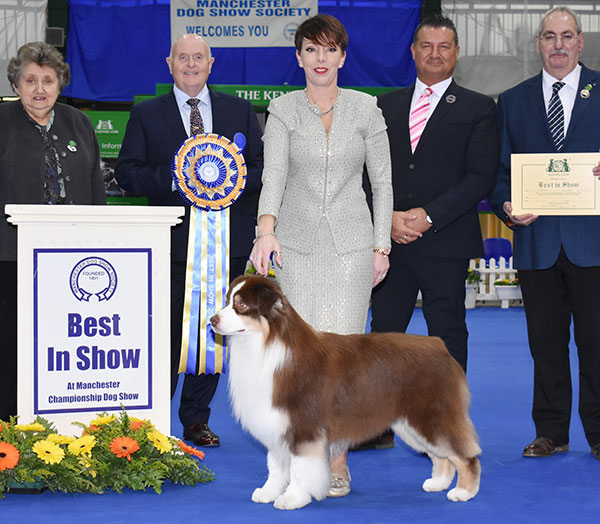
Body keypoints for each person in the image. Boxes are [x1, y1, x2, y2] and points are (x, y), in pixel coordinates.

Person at [250, 14, 393, 498]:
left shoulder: (367, 110)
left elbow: (383, 183)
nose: (320, 59)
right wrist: (265, 231)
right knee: (298, 362)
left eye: (329, 50)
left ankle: (337, 459)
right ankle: (296, 456)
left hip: (352, 250)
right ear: (298, 58)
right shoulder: (283, 109)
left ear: (343, 57)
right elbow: (274, 176)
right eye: (311, 50)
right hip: (297, 249)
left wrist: (380, 245)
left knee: (344, 361)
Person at [115, 34, 263, 447]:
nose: (191, 64)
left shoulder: (240, 110)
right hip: (168, 244)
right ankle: (154, 414)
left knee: (213, 331)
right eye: (184, 57)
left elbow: (260, 169)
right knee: (163, 332)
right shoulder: (146, 114)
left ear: (211, 63)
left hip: (226, 246)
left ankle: (196, 419)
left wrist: (228, 180)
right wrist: (182, 181)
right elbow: (128, 173)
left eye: (199, 57)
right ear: (169, 63)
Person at [488, 6, 600, 460]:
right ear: (538, 43)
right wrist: (507, 206)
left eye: (567, 36)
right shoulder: (512, 100)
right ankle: (551, 431)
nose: (558, 45)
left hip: (592, 244)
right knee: (545, 345)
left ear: (580, 42)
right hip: (536, 245)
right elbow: (497, 173)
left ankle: (599, 432)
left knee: (596, 343)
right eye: (549, 36)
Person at [370, 14, 499, 373]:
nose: (435, 53)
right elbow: (369, 172)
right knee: (383, 335)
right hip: (390, 242)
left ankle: (447, 425)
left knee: (448, 334)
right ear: (412, 51)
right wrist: (389, 218)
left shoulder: (480, 108)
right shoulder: (384, 107)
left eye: (444, 47)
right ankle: (377, 427)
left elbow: (481, 175)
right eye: (426, 46)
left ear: (457, 52)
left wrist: (429, 216)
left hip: (446, 240)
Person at [0, 42, 106, 421]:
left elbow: (95, 187)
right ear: (17, 84)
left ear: (60, 84)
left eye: (47, 80)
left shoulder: (77, 122)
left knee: (62, 340)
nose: (39, 88)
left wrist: (98, 243)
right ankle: (8, 423)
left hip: (71, 256)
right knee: (10, 342)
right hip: (10, 257)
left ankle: (61, 416)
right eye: (30, 80)